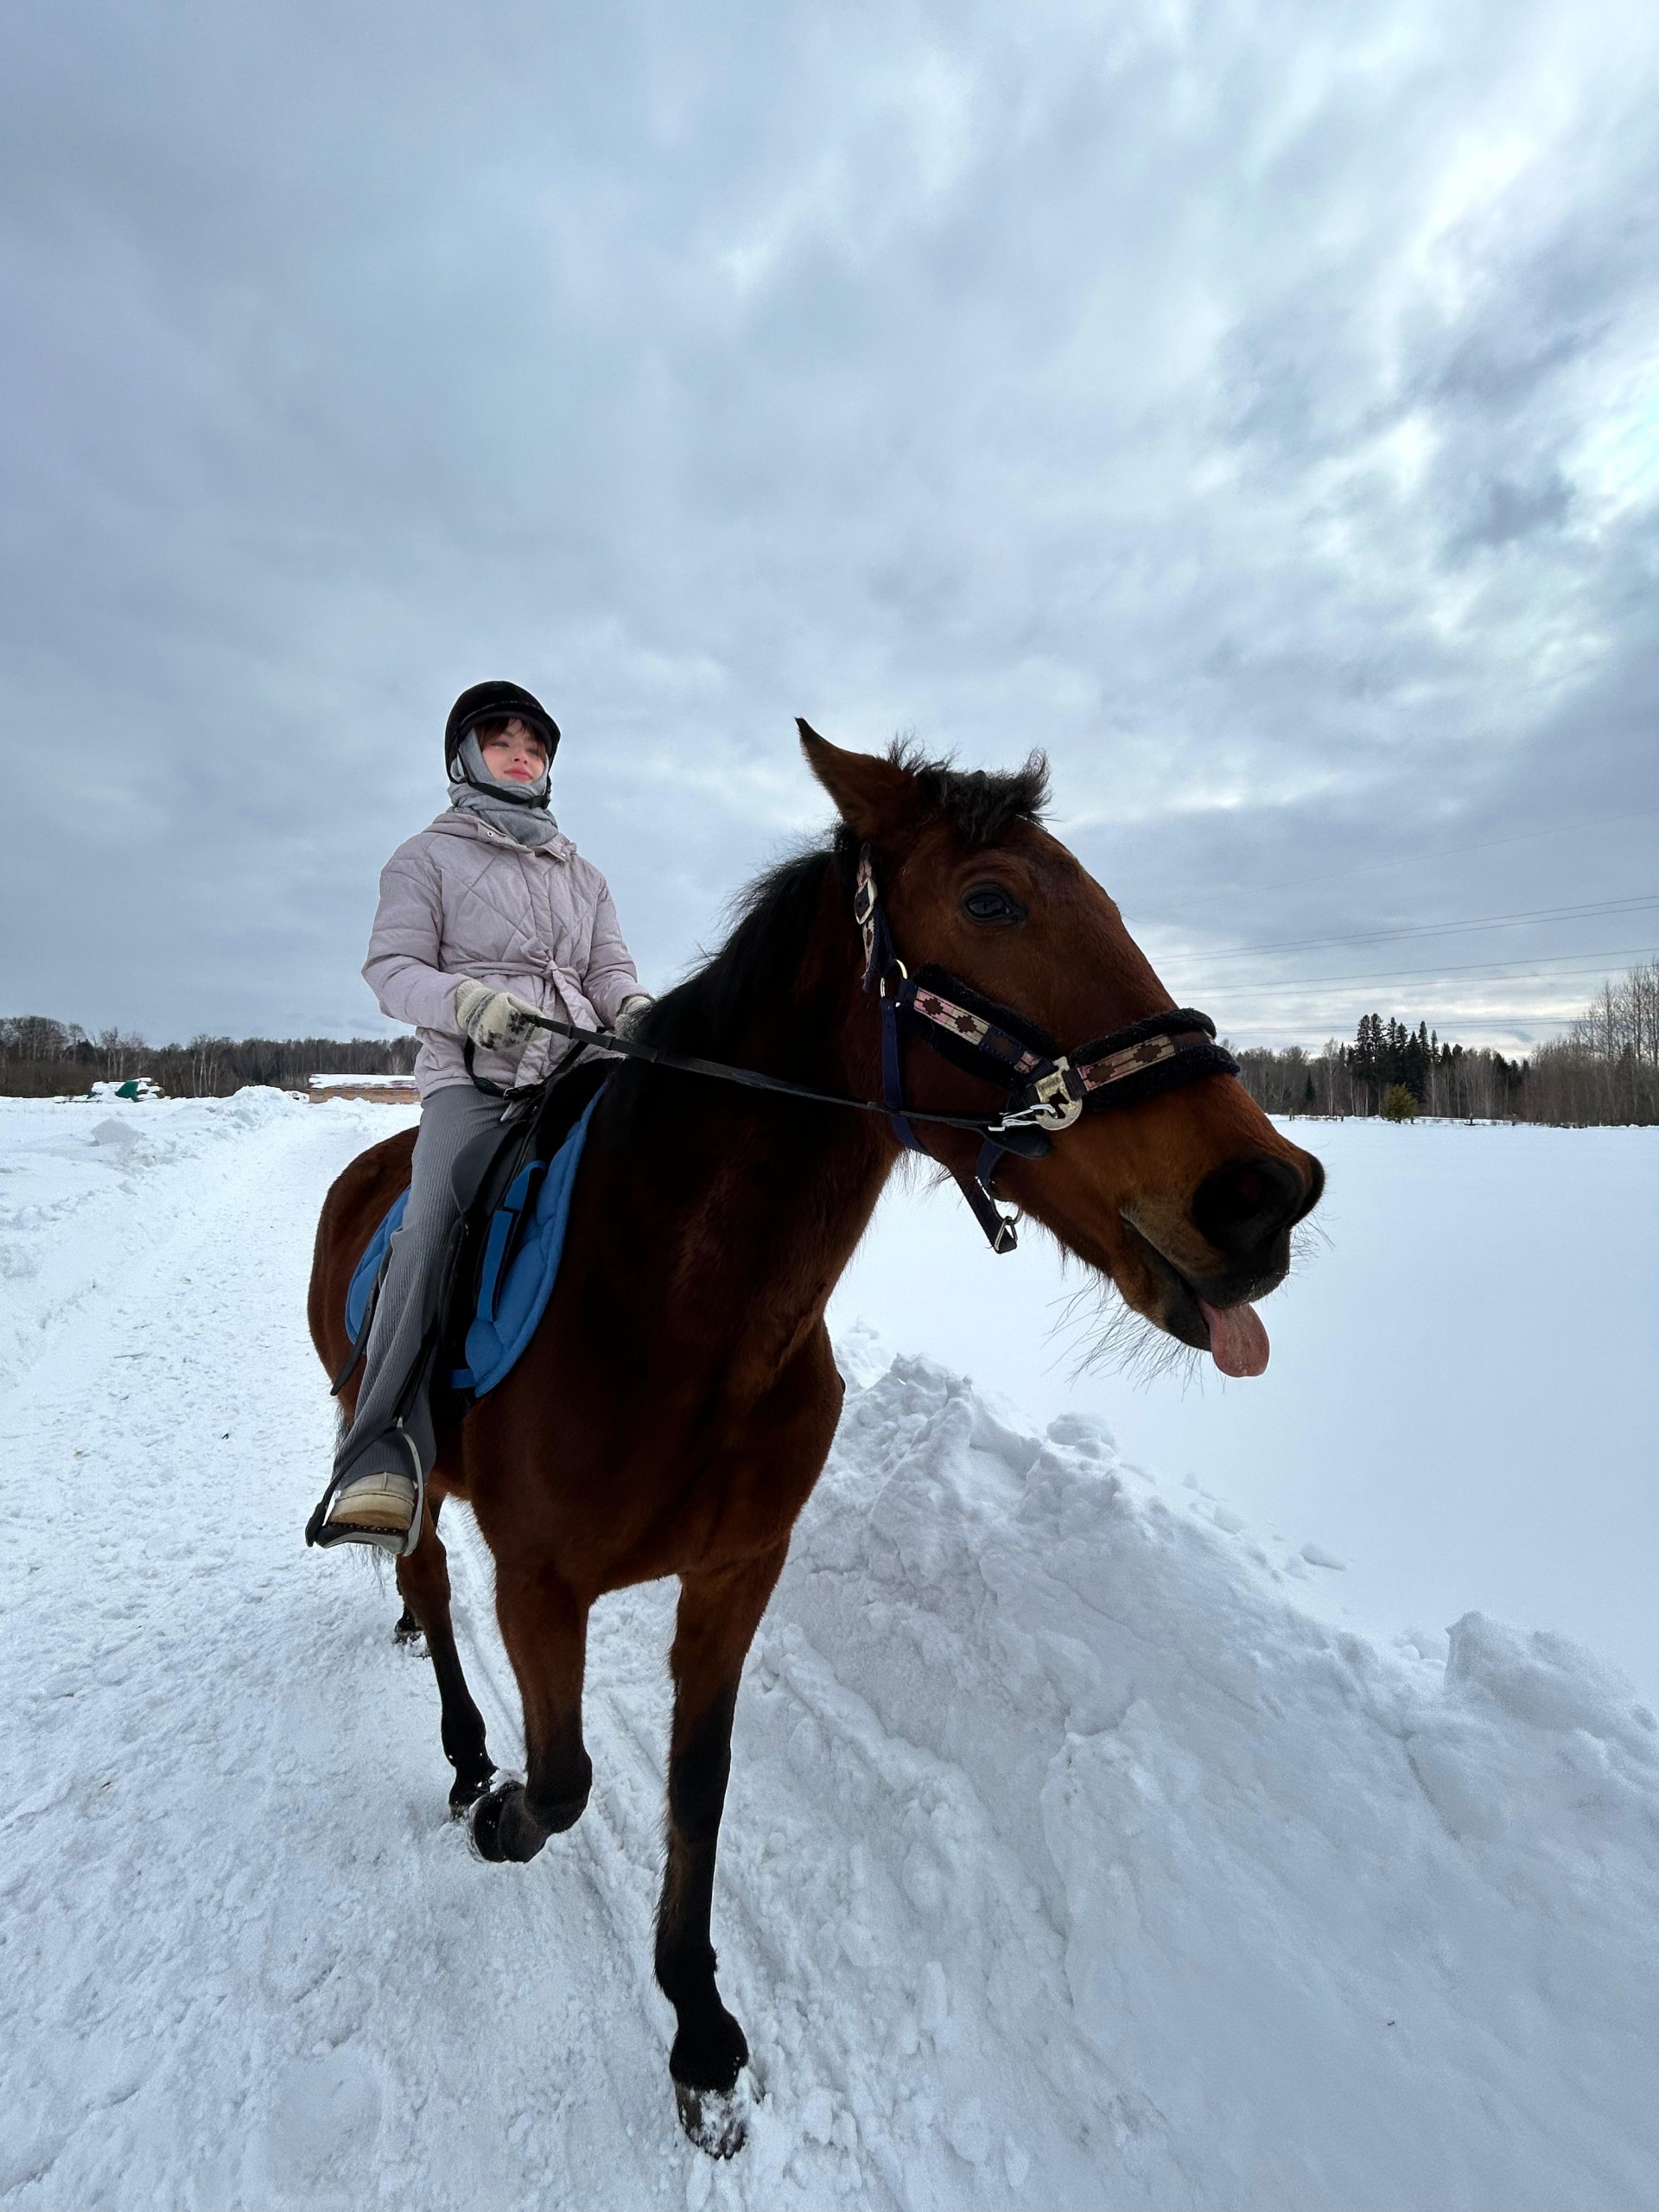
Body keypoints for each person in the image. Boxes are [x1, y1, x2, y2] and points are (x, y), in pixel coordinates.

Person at [308, 680, 651, 1556]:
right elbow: (389, 969)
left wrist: (638, 1010)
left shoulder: (585, 873)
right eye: (499, 737)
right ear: (465, 757)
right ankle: (382, 1446)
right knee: (432, 1223)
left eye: (533, 740)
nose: (520, 749)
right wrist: (463, 1001)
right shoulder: (423, 858)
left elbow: (610, 970)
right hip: (477, 1079)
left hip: (584, 1066)